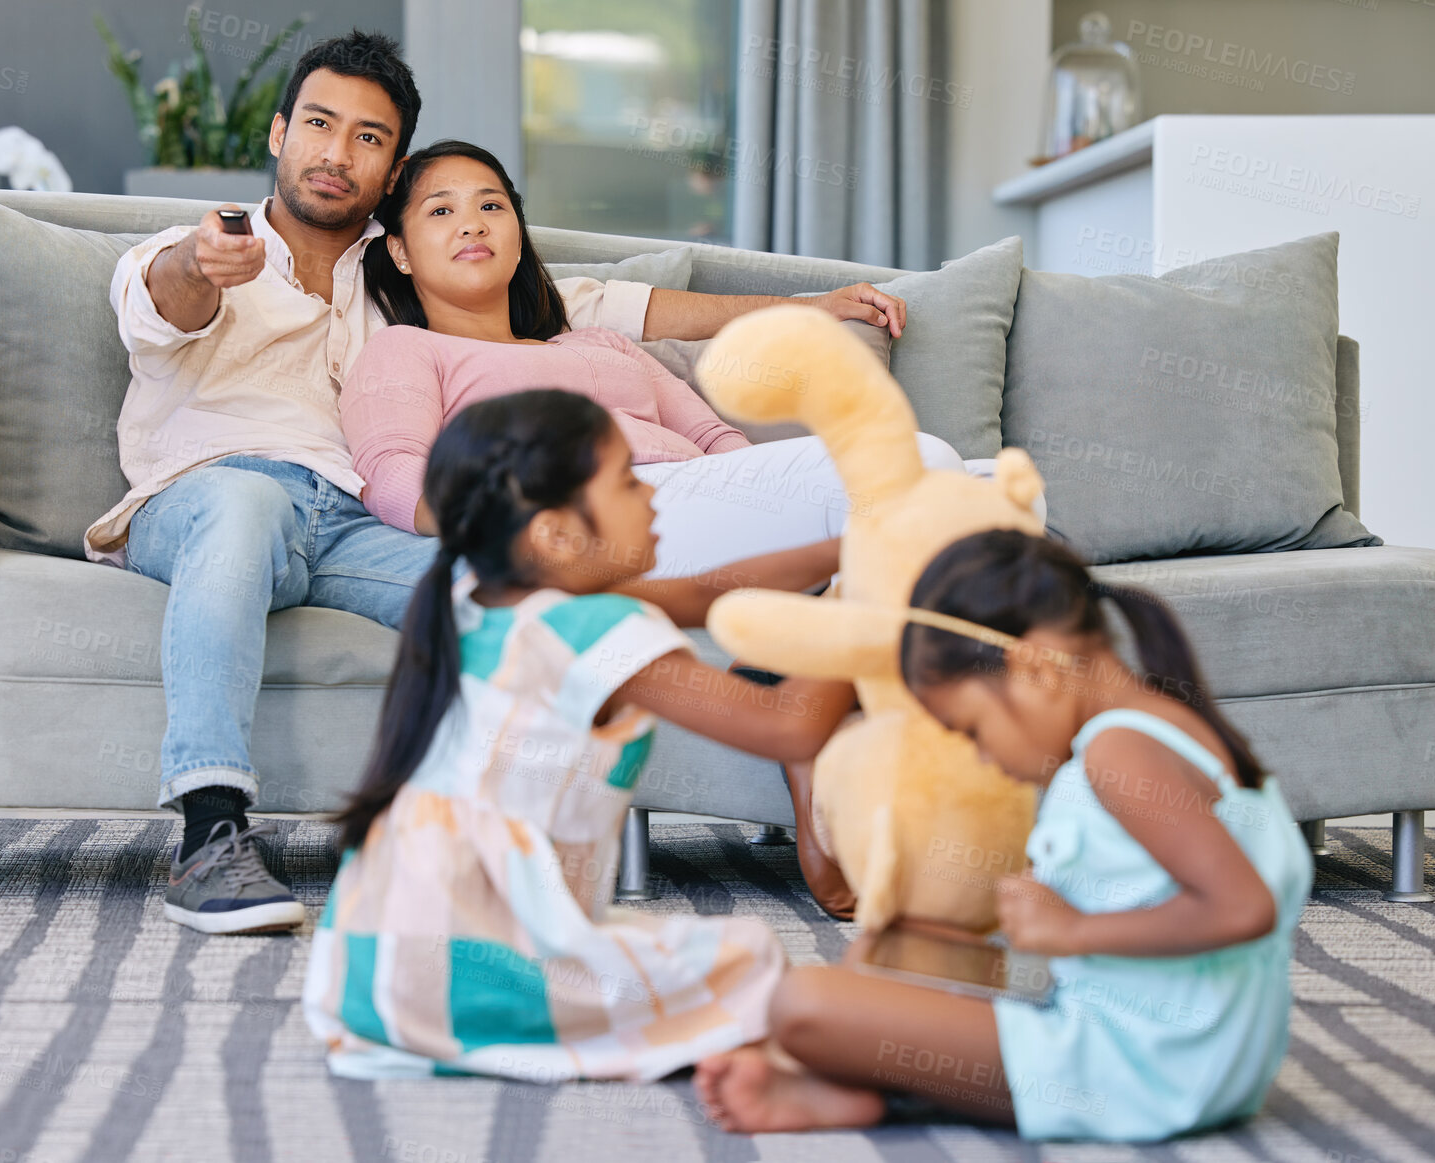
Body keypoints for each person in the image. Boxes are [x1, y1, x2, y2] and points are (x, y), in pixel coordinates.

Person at [89, 28, 910, 935]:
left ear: (390, 166)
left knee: (532, 598)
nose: (337, 152)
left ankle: (537, 842)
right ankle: (210, 834)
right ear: (280, 134)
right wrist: (203, 265)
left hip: (360, 520)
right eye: (319, 124)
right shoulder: (196, 250)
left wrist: (801, 306)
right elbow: (167, 297)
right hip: (215, 492)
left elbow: (613, 308)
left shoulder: (402, 269)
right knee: (244, 510)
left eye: (368, 138)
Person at [302, 389, 857, 1080]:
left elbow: (710, 589)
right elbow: (788, 726)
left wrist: (850, 546)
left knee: (674, 950)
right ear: (555, 535)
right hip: (471, 972)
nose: (653, 497)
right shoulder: (590, 629)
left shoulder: (485, 601)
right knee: (754, 957)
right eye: (628, 481)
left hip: (368, 976)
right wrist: (860, 603)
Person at [694, 530, 1314, 1142]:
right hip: (1172, 1037)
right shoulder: (1160, 726)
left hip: (1145, 1067)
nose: (985, 758)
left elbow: (1242, 907)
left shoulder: (1120, 753)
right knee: (889, 951)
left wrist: (1073, 930)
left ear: (1034, 666)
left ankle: (874, 1096)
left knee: (804, 1003)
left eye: (972, 728)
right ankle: (870, 1084)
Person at [344, 139, 975, 578]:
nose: (472, 224)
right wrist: (512, 523)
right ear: (399, 253)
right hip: (588, 518)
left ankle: (824, 611)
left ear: (517, 236)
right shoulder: (404, 349)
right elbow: (391, 473)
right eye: (441, 211)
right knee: (930, 465)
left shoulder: (598, 342)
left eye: (491, 206)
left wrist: (771, 486)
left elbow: (711, 435)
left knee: (988, 487)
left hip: (699, 498)